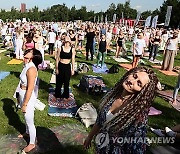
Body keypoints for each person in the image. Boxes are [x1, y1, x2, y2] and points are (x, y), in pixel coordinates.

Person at [84, 67, 158, 154]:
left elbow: (137, 148)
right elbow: (100, 120)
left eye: (139, 83)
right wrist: (90, 137)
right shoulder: (112, 95)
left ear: (142, 91)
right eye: (134, 76)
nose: (132, 81)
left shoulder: (138, 115)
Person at [17, 48, 42, 153]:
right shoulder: (26, 64)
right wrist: (18, 96)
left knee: (29, 119)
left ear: (33, 56)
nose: (27, 51)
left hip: (28, 96)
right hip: (23, 93)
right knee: (25, 117)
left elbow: (30, 89)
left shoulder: (31, 69)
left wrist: (25, 104)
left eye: (29, 51)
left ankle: (32, 143)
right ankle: (27, 132)